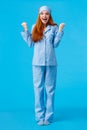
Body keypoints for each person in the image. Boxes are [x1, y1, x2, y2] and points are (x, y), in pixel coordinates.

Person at [21, 5, 65, 126]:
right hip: (37, 63)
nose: (44, 16)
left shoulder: (54, 28)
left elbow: (55, 44)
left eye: (46, 14)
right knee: (38, 90)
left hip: (51, 63)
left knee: (50, 90)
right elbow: (30, 44)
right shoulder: (35, 27)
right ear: (39, 15)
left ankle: (49, 117)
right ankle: (39, 116)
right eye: (42, 14)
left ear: (49, 15)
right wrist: (26, 30)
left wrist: (60, 31)